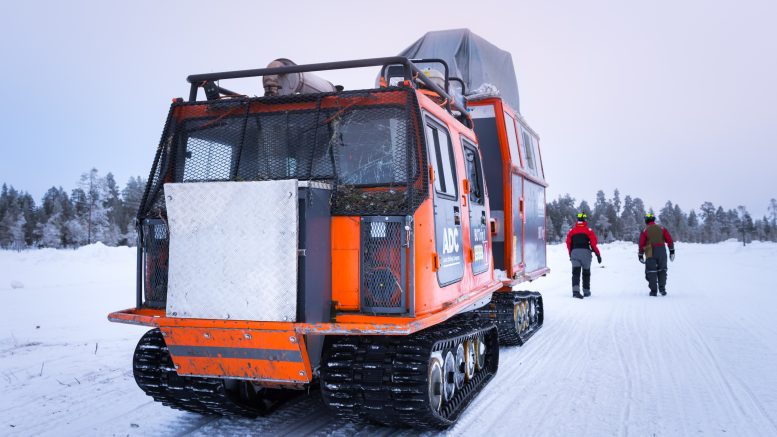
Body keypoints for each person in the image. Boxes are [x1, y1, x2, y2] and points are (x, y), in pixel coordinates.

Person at [565, 213, 602, 299]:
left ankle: (575, 292)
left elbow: (568, 243)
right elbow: (593, 244)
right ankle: (586, 291)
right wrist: (598, 255)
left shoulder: (572, 231)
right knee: (586, 273)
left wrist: (570, 254)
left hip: (574, 252)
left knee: (575, 273)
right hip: (586, 253)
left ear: (577, 221)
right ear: (585, 221)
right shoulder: (589, 231)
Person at [638, 213, 675, 296]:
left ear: (646, 220)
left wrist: (640, 254)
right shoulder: (662, 228)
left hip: (649, 249)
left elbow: (641, 244)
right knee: (662, 270)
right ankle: (662, 289)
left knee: (651, 271)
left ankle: (653, 291)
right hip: (661, 249)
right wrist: (672, 251)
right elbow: (669, 240)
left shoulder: (645, 230)